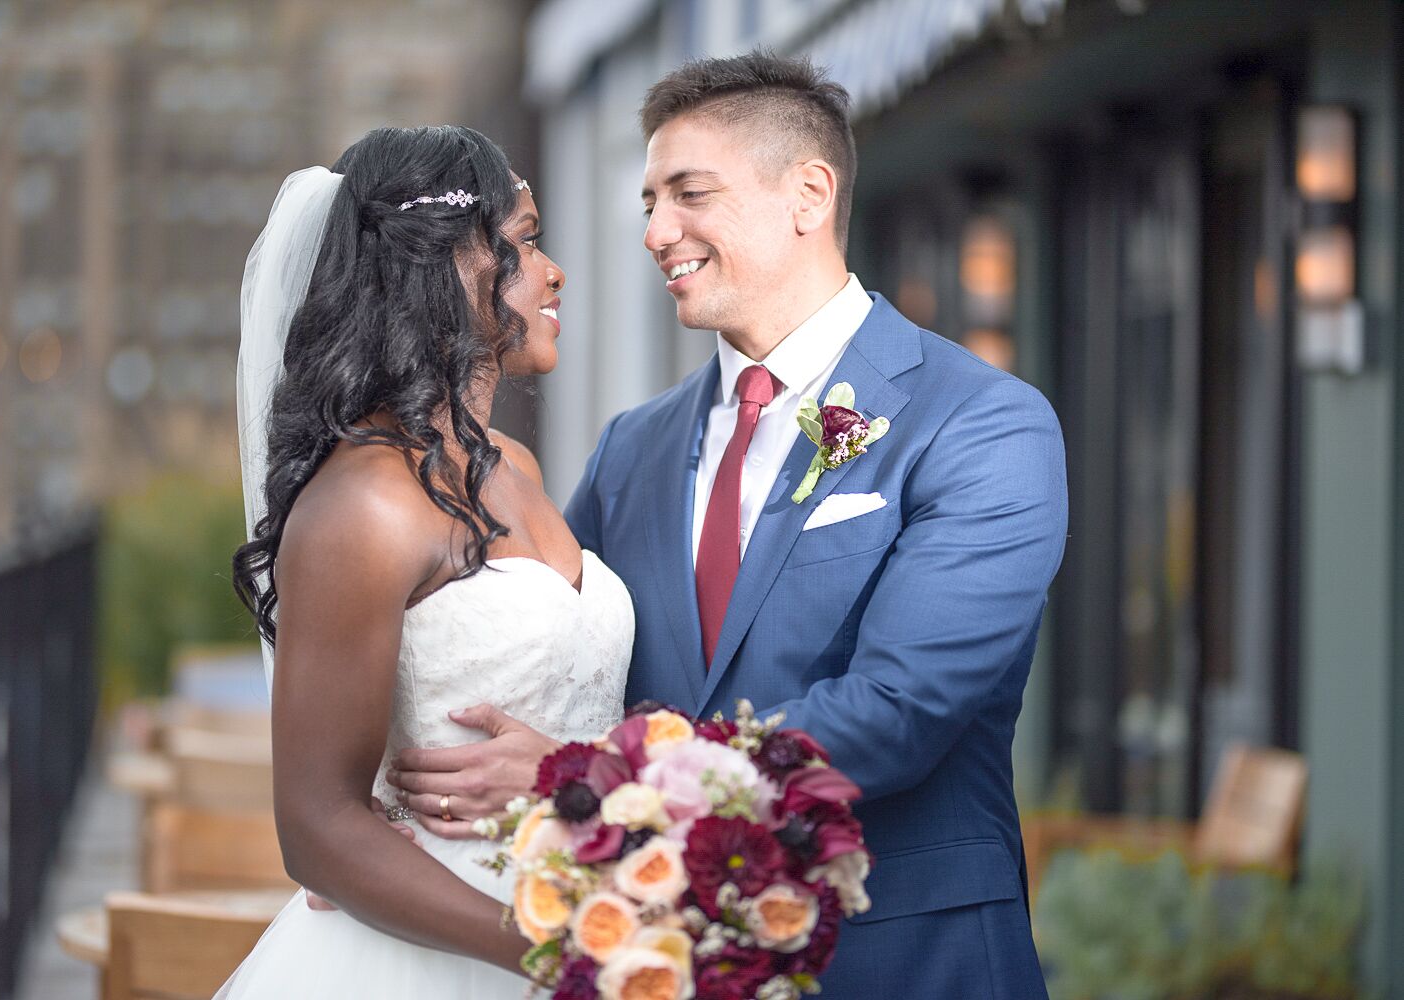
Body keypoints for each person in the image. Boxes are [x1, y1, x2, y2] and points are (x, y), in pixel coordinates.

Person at [388, 52, 1068, 998]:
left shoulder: (983, 423)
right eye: (648, 202)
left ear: (809, 194)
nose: (657, 231)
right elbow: (551, 649)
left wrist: (592, 775)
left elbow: (901, 712)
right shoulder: (634, 446)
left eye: (689, 193)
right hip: (654, 954)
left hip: (901, 956)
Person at [217, 124, 633, 998]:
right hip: (452, 952)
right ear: (442, 266)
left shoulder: (515, 467)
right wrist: (547, 951)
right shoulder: (366, 501)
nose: (553, 271)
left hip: (600, 909)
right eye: (523, 242)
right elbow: (318, 826)